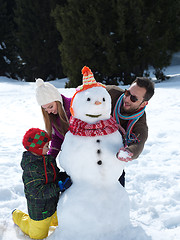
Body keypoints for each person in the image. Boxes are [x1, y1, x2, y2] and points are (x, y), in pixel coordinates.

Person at [12, 128, 69, 239]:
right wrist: (59, 186)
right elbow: (36, 192)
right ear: (37, 148)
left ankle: (51, 219)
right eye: (46, 145)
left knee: (63, 220)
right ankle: (17, 215)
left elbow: (55, 175)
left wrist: (66, 176)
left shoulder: (48, 160)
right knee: (37, 235)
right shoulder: (31, 168)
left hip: (53, 204)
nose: (49, 148)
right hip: (40, 211)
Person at [106, 77, 155, 187]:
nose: (127, 99)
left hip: (111, 158)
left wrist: (128, 152)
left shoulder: (139, 122)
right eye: (127, 93)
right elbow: (90, 93)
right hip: (88, 149)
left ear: (143, 104)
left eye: (133, 98)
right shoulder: (111, 93)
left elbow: (138, 143)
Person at [35, 78, 72, 186]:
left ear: (58, 101)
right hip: (71, 158)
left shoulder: (73, 107)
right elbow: (57, 138)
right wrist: (50, 158)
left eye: (50, 106)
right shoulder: (52, 116)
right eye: (45, 109)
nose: (49, 111)